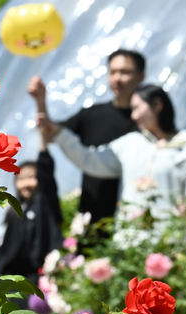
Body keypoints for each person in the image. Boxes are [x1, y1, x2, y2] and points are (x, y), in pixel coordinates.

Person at [39, 84, 186, 226]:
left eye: (137, 108)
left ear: (157, 105)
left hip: (170, 238)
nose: (133, 116)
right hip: (131, 239)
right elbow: (91, 161)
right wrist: (60, 133)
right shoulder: (131, 143)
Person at [30, 49, 146, 226]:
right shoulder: (92, 115)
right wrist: (40, 100)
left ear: (141, 76)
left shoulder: (147, 121)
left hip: (131, 217)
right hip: (91, 216)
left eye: (125, 72)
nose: (117, 78)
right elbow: (52, 132)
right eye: (113, 72)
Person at [0, 118, 63, 288]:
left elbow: (46, 172)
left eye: (32, 177)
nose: (27, 183)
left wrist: (43, 140)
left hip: (38, 279)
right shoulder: (15, 210)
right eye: (21, 179)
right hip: (12, 278)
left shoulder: (44, 203)